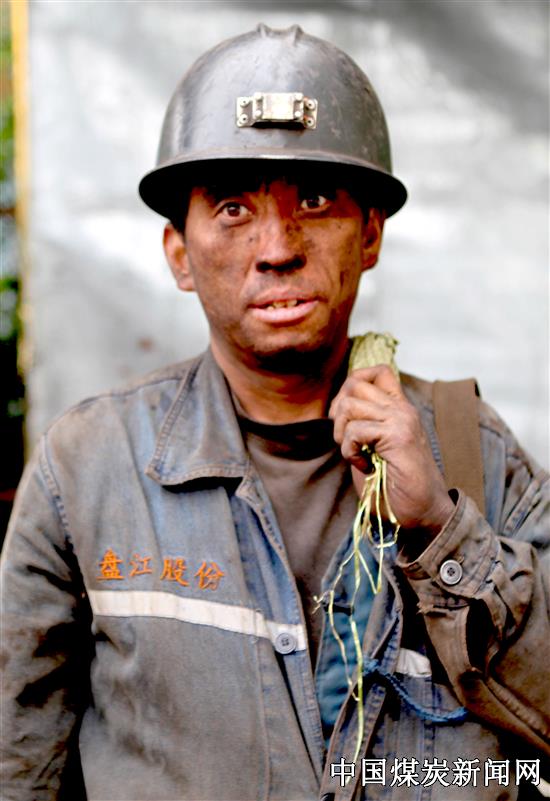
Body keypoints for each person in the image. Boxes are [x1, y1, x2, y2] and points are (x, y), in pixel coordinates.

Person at [1, 23, 548, 801]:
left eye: (315, 201)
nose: (278, 248)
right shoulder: (87, 471)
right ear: (178, 253)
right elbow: (18, 765)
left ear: (370, 233)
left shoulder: (475, 454)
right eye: (233, 208)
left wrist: (441, 531)